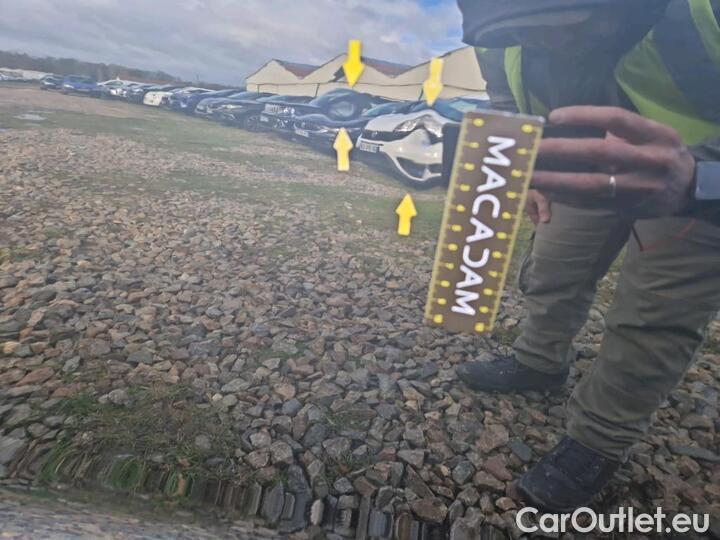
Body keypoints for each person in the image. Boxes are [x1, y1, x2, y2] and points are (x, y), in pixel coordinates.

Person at [455, 0, 720, 512]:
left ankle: (599, 439)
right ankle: (539, 363)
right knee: (552, 266)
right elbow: (504, 99)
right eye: (523, 34)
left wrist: (699, 183)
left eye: (560, 27)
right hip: (583, 163)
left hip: (698, 169)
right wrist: (525, 164)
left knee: (656, 311)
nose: (543, 45)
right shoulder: (499, 34)